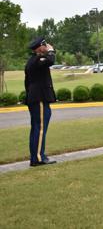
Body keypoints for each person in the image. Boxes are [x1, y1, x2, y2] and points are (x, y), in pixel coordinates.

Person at [25, 36, 57, 166]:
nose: (47, 46)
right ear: (39, 47)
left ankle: (37, 156)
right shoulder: (38, 59)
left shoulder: (33, 61)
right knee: (40, 129)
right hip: (39, 99)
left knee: (37, 129)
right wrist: (51, 51)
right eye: (45, 45)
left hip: (36, 98)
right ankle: (38, 158)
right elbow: (51, 60)